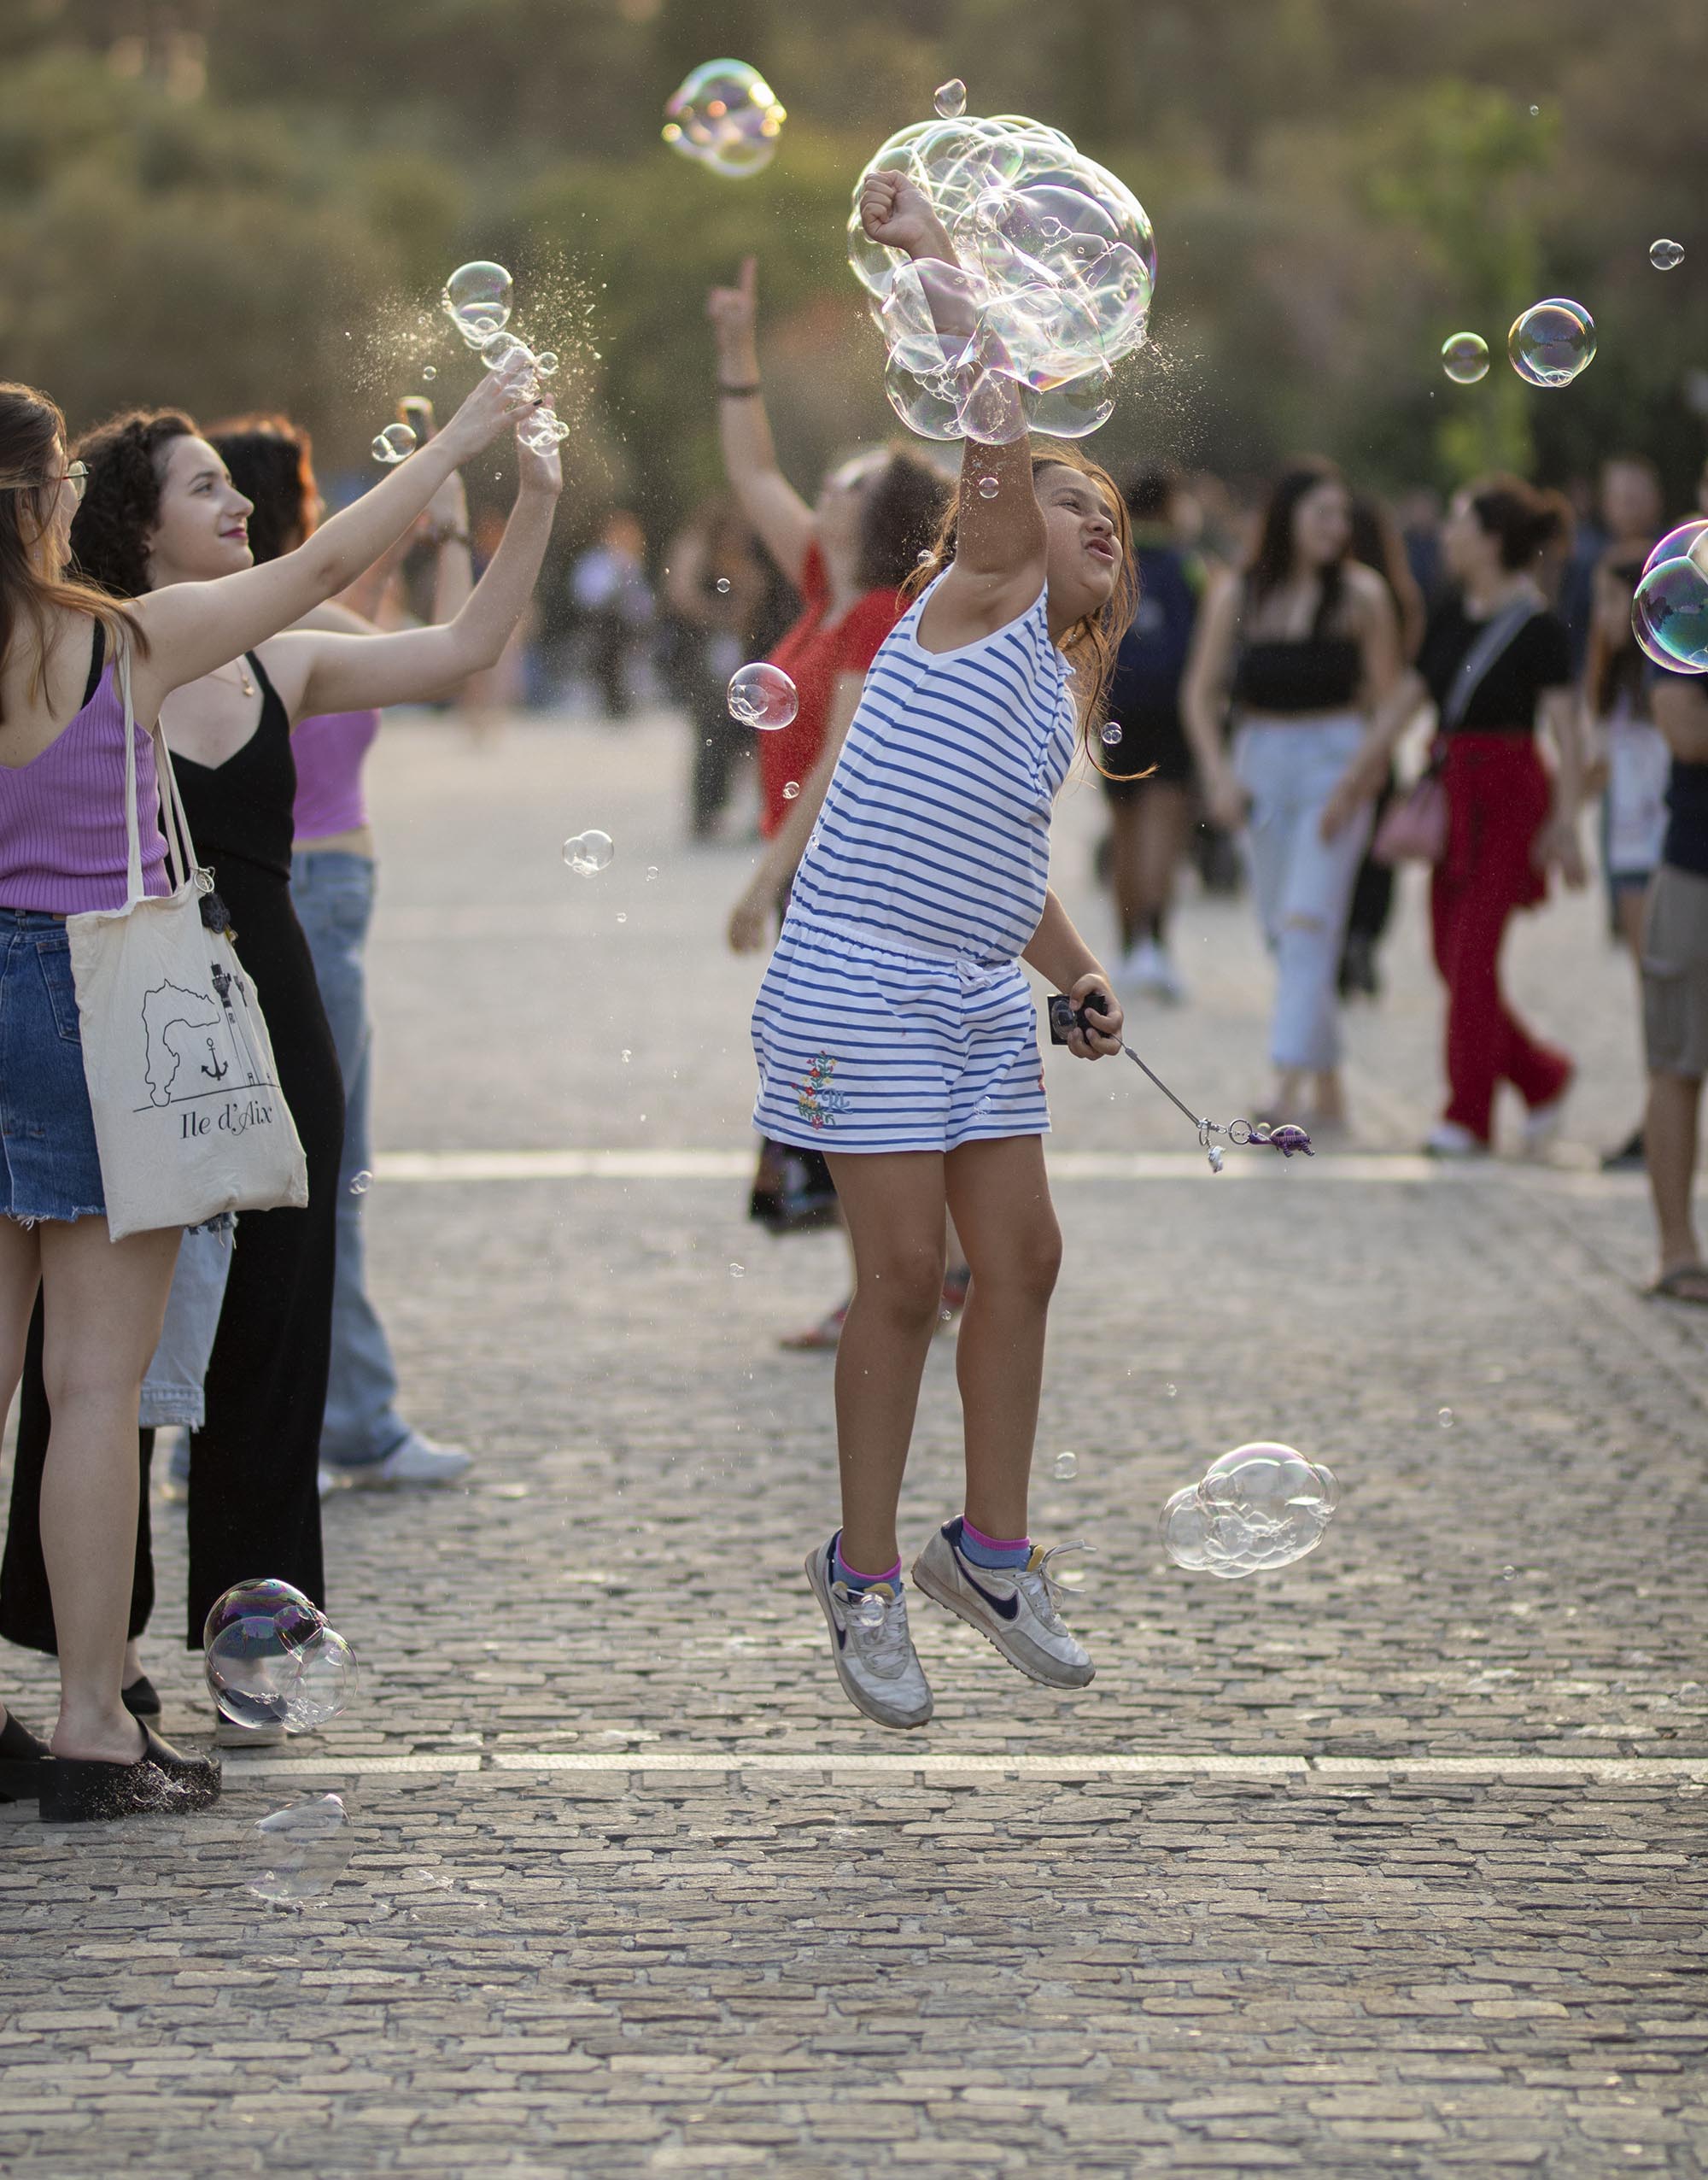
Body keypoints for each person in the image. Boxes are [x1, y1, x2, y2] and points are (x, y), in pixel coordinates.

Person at [0, 371, 560, 1753]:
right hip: (101, 1011)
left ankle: (82, 1691)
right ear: (49, 503)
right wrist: (465, 435)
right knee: (95, 1388)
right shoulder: (124, 643)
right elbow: (326, 560)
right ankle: (89, 1712)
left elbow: (422, 633)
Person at [754, 167, 1133, 1732]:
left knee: (1023, 1260)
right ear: (997, 522)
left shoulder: (1050, 685)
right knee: (904, 1277)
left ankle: (988, 1551)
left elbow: (1000, 863)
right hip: (855, 974)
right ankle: (860, 1573)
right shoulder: (974, 598)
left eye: (1113, 518)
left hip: (972, 982)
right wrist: (950, 262)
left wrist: (1080, 973)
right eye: (1070, 499)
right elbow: (990, 429)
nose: (1095, 522)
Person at [208, 413, 476, 1488]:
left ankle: (336, 1410)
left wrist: (441, 535)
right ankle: (327, 1418)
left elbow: (425, 638)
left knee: (314, 1166)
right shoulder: (263, 621)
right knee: (316, 1168)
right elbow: (456, 655)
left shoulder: (287, 621)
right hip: (307, 897)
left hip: (328, 896)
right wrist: (443, 523)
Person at [709, 253, 954, 1351]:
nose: (825, 489)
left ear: (884, 511)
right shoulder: (826, 588)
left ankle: (890, 1291)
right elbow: (754, 472)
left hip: (833, 873)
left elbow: (842, 765)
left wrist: (765, 881)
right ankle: (927, 1273)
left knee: (857, 1095)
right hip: (818, 871)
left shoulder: (871, 621)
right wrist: (733, 353)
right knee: (850, 1090)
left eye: (848, 481)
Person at [1330, 476, 1588, 1157]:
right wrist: (1356, 781)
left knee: (1472, 958)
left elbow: (1568, 733)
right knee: (1449, 957)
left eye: (1458, 524)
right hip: (1451, 794)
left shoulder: (1538, 626)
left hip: (1509, 799)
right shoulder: (1448, 612)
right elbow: (1406, 704)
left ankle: (1467, 1115)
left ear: (1492, 540)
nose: (1446, 535)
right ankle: (1542, 1076)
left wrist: (1564, 826)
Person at [1182, 459, 1403, 1131]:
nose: (1338, 528)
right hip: (1261, 763)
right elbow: (1199, 693)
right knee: (1285, 929)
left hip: (1337, 762)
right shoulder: (1239, 593)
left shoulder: (1363, 596)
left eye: (1343, 515)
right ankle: (1330, 1083)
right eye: (1323, 514)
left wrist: (1360, 777)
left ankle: (1284, 1086)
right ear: (1289, 519)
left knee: (1309, 920)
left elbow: (1391, 701)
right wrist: (1219, 774)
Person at [1099, 466, 1207, 1003]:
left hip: (1119, 708)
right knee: (1163, 834)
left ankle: (1126, 947)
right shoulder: (1190, 567)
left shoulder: (1115, 562)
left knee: (1124, 833)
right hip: (1173, 716)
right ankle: (1154, 944)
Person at [1587, 548, 1671, 1169]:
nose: (1600, 614)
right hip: (1628, 851)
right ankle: (1657, 1112)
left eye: (1611, 601)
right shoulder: (1614, 679)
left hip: (1657, 849)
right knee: (1651, 989)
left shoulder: (1664, 679)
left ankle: (1660, 1117)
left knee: (1660, 989)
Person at [1339, 493, 1427, 1000]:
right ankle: (1363, 939)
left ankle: (1342, 938)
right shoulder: (1398, 594)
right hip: (1380, 730)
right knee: (1378, 845)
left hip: (1344, 726)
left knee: (1345, 841)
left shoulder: (1350, 594)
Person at [1641, 664, 1708, 1305]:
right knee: (1678, 1060)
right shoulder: (1691, 596)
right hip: (1697, 865)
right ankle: (1676, 1248)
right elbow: (1685, 731)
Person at [659, 496, 769, 840]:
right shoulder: (697, 545)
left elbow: (756, 593)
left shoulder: (744, 552)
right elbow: (680, 593)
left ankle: (742, 808)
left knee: (745, 729)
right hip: (699, 649)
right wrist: (720, 615)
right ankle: (706, 811)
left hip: (735, 651)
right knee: (710, 726)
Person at [1560, 455, 1664, 674]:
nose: (1630, 508)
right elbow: (1574, 633)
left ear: (1657, 499)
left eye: (1636, 498)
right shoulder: (1585, 563)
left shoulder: (1674, 558)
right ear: (1605, 503)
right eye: (1623, 498)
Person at [568, 510, 652, 718]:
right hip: (602, 627)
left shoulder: (633, 564)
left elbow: (644, 604)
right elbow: (587, 597)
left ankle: (625, 699)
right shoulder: (594, 562)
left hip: (630, 630)